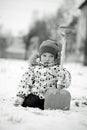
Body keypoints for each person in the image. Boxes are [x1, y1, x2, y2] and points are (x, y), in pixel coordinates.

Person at [14, 40, 71, 110]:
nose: (47, 59)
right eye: (44, 55)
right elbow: (25, 82)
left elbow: (67, 81)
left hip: (50, 97)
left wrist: (63, 77)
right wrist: (21, 96)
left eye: (51, 56)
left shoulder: (58, 69)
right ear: (40, 56)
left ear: (55, 58)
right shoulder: (34, 68)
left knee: (51, 105)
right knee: (29, 103)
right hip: (35, 96)